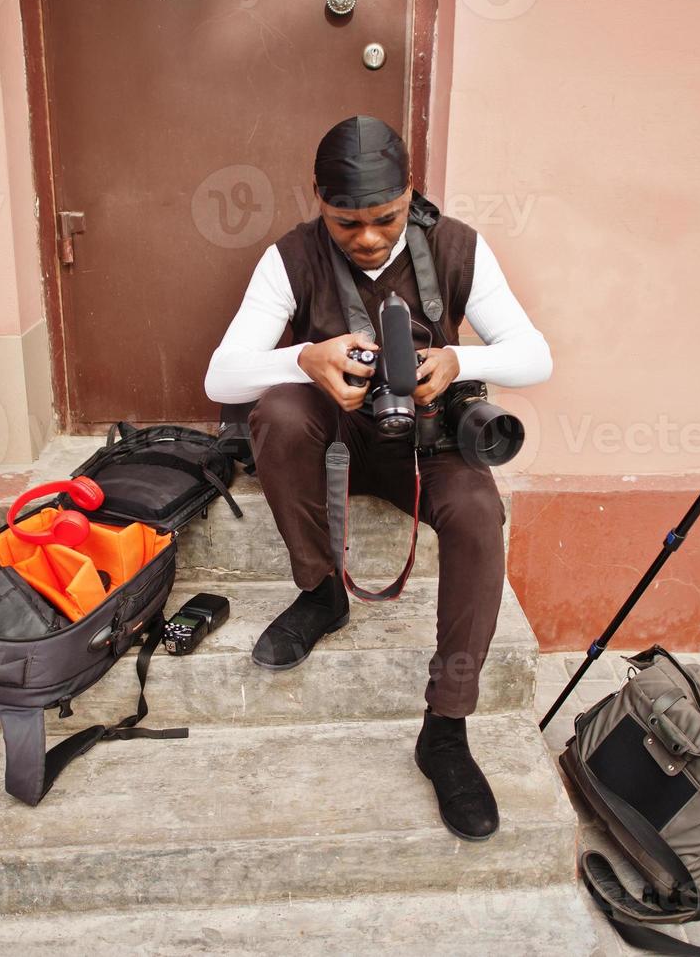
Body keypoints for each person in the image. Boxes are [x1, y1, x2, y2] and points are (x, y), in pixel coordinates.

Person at [203, 115, 552, 841]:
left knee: (479, 516)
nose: (365, 237)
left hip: (428, 446)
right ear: (318, 204)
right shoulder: (290, 258)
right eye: (345, 223)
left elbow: (534, 356)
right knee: (279, 413)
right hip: (334, 437)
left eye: (385, 219)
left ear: (410, 193)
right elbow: (222, 377)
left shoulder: (457, 247)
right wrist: (304, 357)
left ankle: (446, 729)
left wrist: (459, 362)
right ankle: (322, 593)